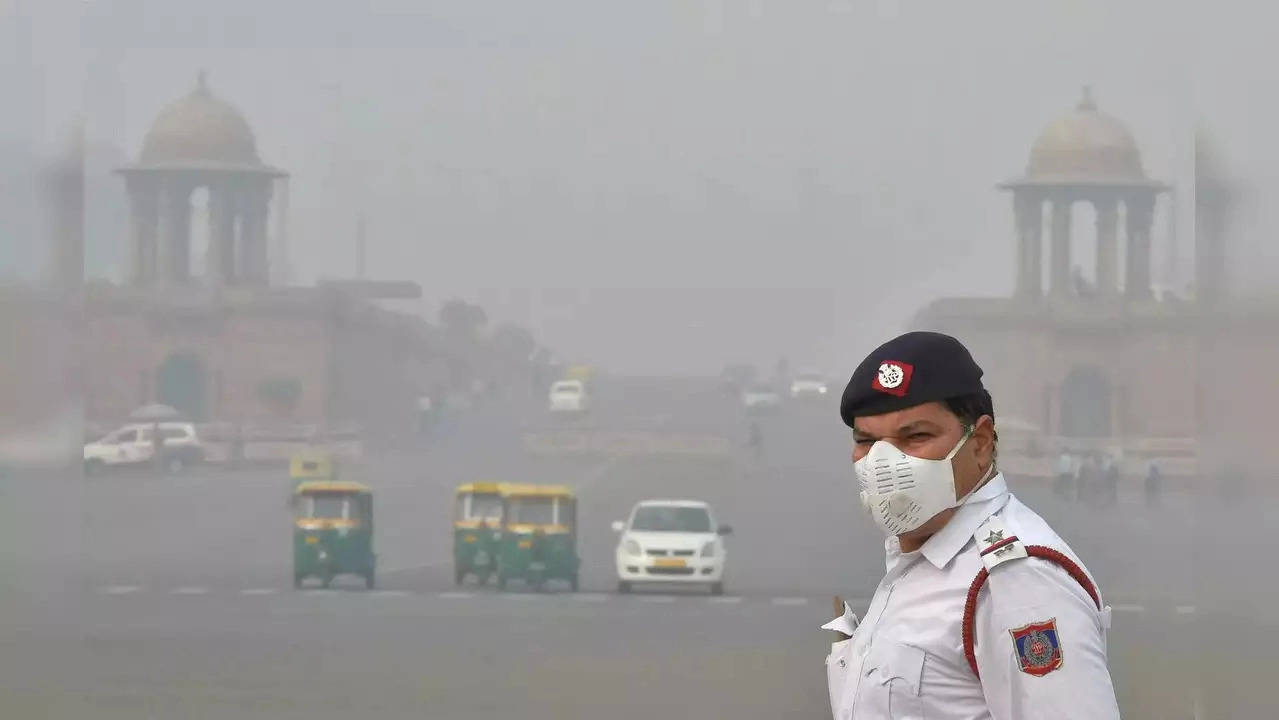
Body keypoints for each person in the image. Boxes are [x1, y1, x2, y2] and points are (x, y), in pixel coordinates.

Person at [823, 331, 1118, 719]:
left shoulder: (1016, 581)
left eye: (915, 437)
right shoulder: (922, 556)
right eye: (867, 442)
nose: (882, 463)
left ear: (979, 443)